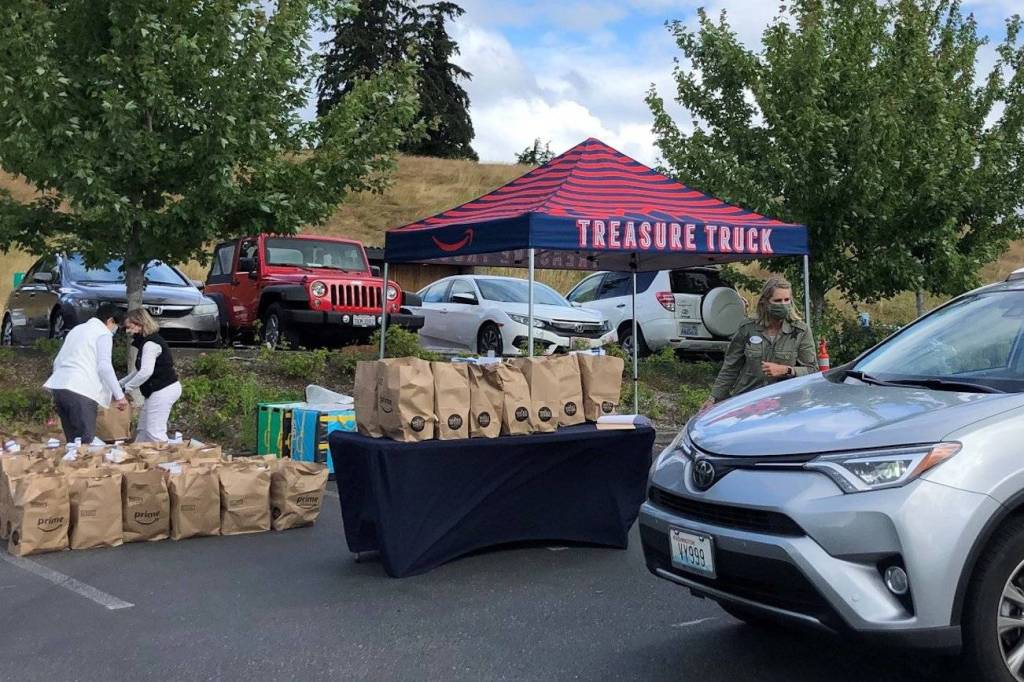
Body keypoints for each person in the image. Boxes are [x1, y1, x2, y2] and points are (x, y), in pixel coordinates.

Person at [700, 276, 817, 413]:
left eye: (787, 300)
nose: (783, 305)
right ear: (765, 302)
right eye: (778, 301)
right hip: (747, 402)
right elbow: (730, 368)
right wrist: (713, 399)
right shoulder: (748, 328)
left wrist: (787, 370)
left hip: (784, 405)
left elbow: (812, 370)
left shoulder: (800, 331)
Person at [43, 303, 128, 443]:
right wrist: (119, 395)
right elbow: (104, 366)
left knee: (73, 442)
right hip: (81, 390)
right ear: (110, 321)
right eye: (117, 326)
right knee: (85, 441)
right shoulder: (103, 334)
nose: (116, 330)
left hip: (60, 386)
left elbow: (58, 360)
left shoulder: (77, 330)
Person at [120, 308, 182, 443]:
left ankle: (167, 460)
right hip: (157, 390)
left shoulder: (150, 344)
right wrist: (121, 383)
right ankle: (139, 457)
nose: (128, 331)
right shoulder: (146, 343)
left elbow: (145, 372)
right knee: (143, 429)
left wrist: (127, 388)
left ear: (140, 324)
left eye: (130, 327)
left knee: (155, 431)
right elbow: (139, 370)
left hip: (162, 389)